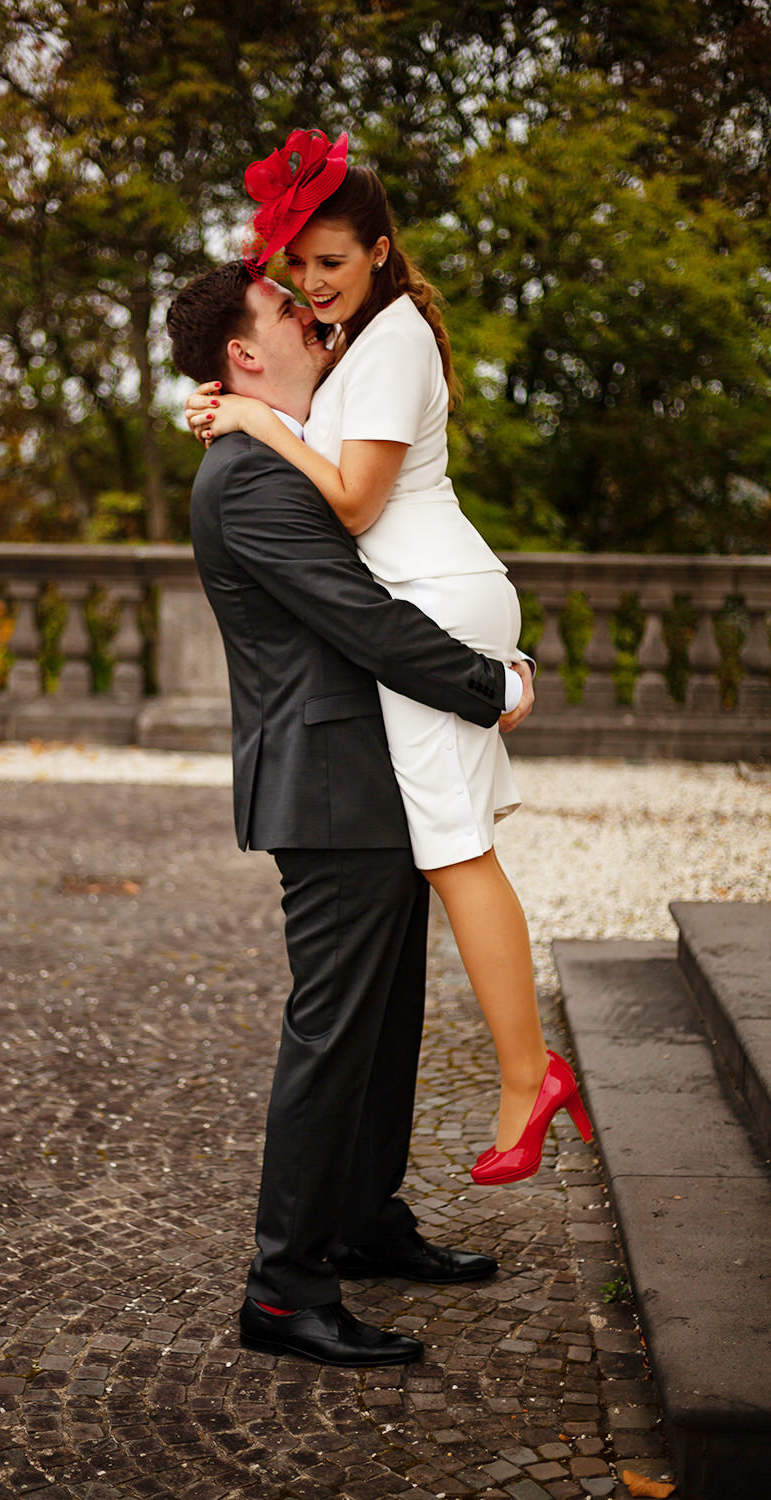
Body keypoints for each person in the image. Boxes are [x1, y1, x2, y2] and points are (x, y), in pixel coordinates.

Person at [185, 129, 593, 1189]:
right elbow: (305, 420)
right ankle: (508, 1086)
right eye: (299, 269)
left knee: (457, 851)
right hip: (434, 588)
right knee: (451, 851)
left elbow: (355, 498)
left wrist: (250, 423)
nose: (312, 286)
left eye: (332, 262)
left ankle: (525, 1077)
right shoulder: (361, 342)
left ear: (378, 249)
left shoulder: (393, 335)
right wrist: (231, 407)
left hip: (433, 599)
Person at [167, 255, 534, 1369]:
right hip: (331, 787)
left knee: (381, 1026)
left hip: (366, 776)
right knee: (331, 1036)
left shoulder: (282, 451)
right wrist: (490, 686)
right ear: (242, 351)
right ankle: (283, 1289)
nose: (311, 307)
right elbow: (361, 618)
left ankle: (367, 1223)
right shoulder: (250, 478)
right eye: (287, 305)